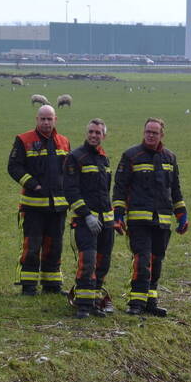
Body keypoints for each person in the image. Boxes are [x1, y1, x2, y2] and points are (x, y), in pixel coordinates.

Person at [112, 117, 189, 316]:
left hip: (162, 221)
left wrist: (181, 215)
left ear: (161, 135)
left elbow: (175, 190)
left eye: (155, 132)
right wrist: (118, 215)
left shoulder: (170, 158)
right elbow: (120, 188)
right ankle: (135, 302)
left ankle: (150, 301)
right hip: (138, 221)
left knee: (157, 261)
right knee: (142, 259)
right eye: (148, 131)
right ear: (143, 132)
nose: (150, 135)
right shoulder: (131, 155)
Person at [7, 105, 70, 295]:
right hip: (33, 206)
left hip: (58, 206)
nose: (46, 122)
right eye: (43, 119)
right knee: (32, 245)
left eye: (49, 119)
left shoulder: (64, 141)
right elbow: (14, 167)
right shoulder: (24, 140)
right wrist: (34, 185)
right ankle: (28, 285)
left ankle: (52, 285)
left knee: (55, 246)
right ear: (37, 119)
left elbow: (69, 171)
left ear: (55, 120)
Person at [63, 118, 115, 318]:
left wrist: (112, 219)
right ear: (87, 133)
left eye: (98, 133)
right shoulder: (75, 157)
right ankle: (83, 304)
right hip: (86, 221)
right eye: (91, 132)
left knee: (103, 262)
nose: (94, 135)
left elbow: (105, 191)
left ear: (104, 136)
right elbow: (70, 190)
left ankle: (94, 301)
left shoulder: (104, 159)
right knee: (88, 260)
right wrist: (86, 215)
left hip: (105, 221)